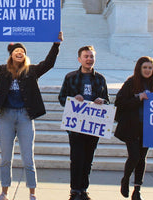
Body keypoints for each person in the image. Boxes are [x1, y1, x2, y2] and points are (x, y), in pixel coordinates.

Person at [0, 31, 63, 200]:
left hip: (25, 117)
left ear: (25, 55)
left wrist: (56, 44)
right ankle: (4, 192)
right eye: (16, 51)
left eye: (21, 51)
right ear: (11, 55)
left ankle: (32, 193)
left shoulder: (32, 71)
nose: (19, 53)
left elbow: (49, 63)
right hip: (6, 116)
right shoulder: (2, 71)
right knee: (5, 158)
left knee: (28, 158)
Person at [58, 45, 109, 200]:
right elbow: (61, 98)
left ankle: (83, 190)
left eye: (91, 56)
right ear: (79, 59)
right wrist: (73, 99)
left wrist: (103, 101)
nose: (89, 59)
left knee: (88, 159)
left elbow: (107, 101)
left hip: (93, 126)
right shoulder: (70, 77)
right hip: (76, 126)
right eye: (86, 56)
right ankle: (74, 190)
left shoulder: (100, 79)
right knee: (77, 159)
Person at [115, 56, 153, 200]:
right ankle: (125, 179)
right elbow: (119, 101)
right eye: (145, 67)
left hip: (147, 128)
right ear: (139, 68)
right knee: (134, 156)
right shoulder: (131, 82)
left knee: (142, 159)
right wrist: (138, 98)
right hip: (131, 126)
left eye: (150, 68)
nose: (147, 70)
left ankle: (137, 190)